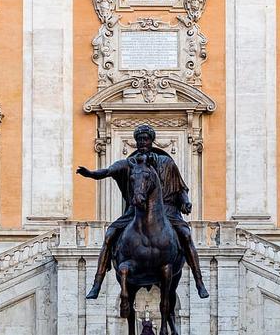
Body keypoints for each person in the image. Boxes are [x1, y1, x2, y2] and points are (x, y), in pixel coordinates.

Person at [76, 124, 209, 299]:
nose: (142, 142)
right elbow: (109, 171)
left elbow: (181, 187)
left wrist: (185, 202)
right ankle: (97, 284)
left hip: (167, 211)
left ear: (152, 141)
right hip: (135, 211)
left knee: (185, 235)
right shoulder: (130, 164)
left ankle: (199, 281)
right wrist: (92, 174)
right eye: (139, 140)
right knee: (109, 235)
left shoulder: (166, 162)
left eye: (145, 139)